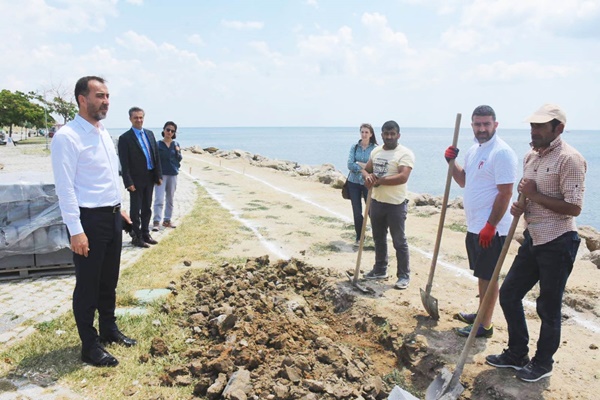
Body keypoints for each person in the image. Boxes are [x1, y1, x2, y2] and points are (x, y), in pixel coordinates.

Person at [486, 104, 586, 382]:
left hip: (559, 241)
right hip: (533, 238)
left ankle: (543, 363)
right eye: (532, 126)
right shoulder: (531, 155)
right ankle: (517, 353)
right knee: (509, 293)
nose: (534, 131)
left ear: (559, 129)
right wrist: (522, 205)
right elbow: (528, 192)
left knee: (548, 307)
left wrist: (533, 195)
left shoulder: (571, 160)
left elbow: (574, 208)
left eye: (541, 126)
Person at [51, 76, 137, 367]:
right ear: (82, 99)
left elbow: (108, 176)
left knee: (108, 279)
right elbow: (65, 189)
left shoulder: (102, 132)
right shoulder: (68, 137)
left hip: (111, 216)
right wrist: (76, 231)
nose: (106, 102)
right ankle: (89, 345)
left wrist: (120, 208)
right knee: (88, 284)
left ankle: (109, 329)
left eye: (108, 96)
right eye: (99, 96)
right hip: (88, 220)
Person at [444, 105, 518, 338]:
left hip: (491, 229)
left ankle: (484, 325)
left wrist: (491, 225)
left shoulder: (502, 152)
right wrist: (451, 163)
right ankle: (480, 314)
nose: (482, 128)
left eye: (486, 124)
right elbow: (464, 181)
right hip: (475, 225)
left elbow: (505, 193)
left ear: (495, 124)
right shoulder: (474, 150)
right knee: (482, 274)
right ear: (472, 126)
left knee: (489, 276)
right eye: (478, 124)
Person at [361, 120, 415, 290]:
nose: (389, 137)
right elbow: (366, 169)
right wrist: (367, 176)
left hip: (396, 204)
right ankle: (380, 269)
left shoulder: (405, 153)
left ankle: (403, 275)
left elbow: (403, 177)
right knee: (378, 238)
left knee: (399, 240)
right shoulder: (376, 151)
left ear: (398, 135)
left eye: (393, 134)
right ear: (382, 134)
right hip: (376, 202)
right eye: (386, 134)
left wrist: (379, 181)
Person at [118, 107, 162, 248]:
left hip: (149, 177)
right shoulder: (125, 138)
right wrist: (128, 181)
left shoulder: (149, 134)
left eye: (141, 117)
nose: (139, 120)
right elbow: (124, 163)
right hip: (135, 180)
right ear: (130, 119)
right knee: (135, 210)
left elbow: (155, 156)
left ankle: (145, 234)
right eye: (136, 117)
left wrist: (158, 175)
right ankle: (136, 237)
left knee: (147, 208)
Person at [347, 123, 378, 248]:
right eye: (362, 132)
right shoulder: (354, 147)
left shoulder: (375, 149)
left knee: (371, 211)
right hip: (353, 182)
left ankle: (377, 238)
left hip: (368, 183)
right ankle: (359, 237)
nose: (364, 134)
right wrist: (363, 169)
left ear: (371, 134)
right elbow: (350, 164)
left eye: (366, 132)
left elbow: (376, 166)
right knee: (357, 211)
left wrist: (360, 164)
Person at [152, 121, 183, 231]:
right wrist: (156, 175)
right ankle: (156, 221)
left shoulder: (176, 144)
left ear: (174, 133)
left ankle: (167, 220)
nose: (169, 132)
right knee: (159, 199)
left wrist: (178, 152)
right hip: (161, 175)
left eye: (172, 131)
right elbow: (154, 160)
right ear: (164, 130)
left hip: (173, 174)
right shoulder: (157, 144)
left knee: (170, 199)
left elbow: (179, 159)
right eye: (168, 130)